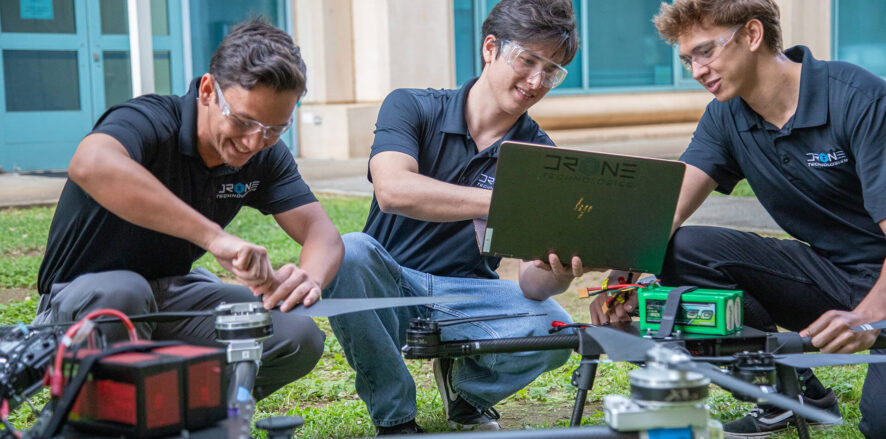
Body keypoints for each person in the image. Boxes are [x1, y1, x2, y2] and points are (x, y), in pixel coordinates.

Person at [586, 0, 886, 437]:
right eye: (688, 59)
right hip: (831, 275)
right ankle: (785, 395)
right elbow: (667, 211)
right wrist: (619, 284)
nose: (696, 70)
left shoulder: (858, 99)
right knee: (683, 250)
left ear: (752, 34)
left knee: (880, 425)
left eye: (706, 51)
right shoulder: (727, 116)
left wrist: (869, 316)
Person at [33, 19, 344, 401]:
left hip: (172, 298)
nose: (253, 141)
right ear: (209, 90)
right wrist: (215, 238)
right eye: (244, 121)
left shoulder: (264, 154)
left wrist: (309, 279)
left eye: (275, 128)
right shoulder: (150, 121)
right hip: (83, 302)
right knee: (125, 293)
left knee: (297, 334)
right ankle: (107, 416)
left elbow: (323, 235)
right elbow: (90, 164)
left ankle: (188, 417)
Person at [321, 0, 582, 434]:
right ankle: (395, 416)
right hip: (389, 286)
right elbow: (392, 190)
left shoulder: (540, 156)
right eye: (528, 60)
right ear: (490, 48)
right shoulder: (411, 107)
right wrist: (505, 201)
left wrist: (560, 267)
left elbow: (533, 285)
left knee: (555, 327)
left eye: (552, 71)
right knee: (348, 251)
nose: (537, 81)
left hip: (468, 296)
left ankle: (467, 394)